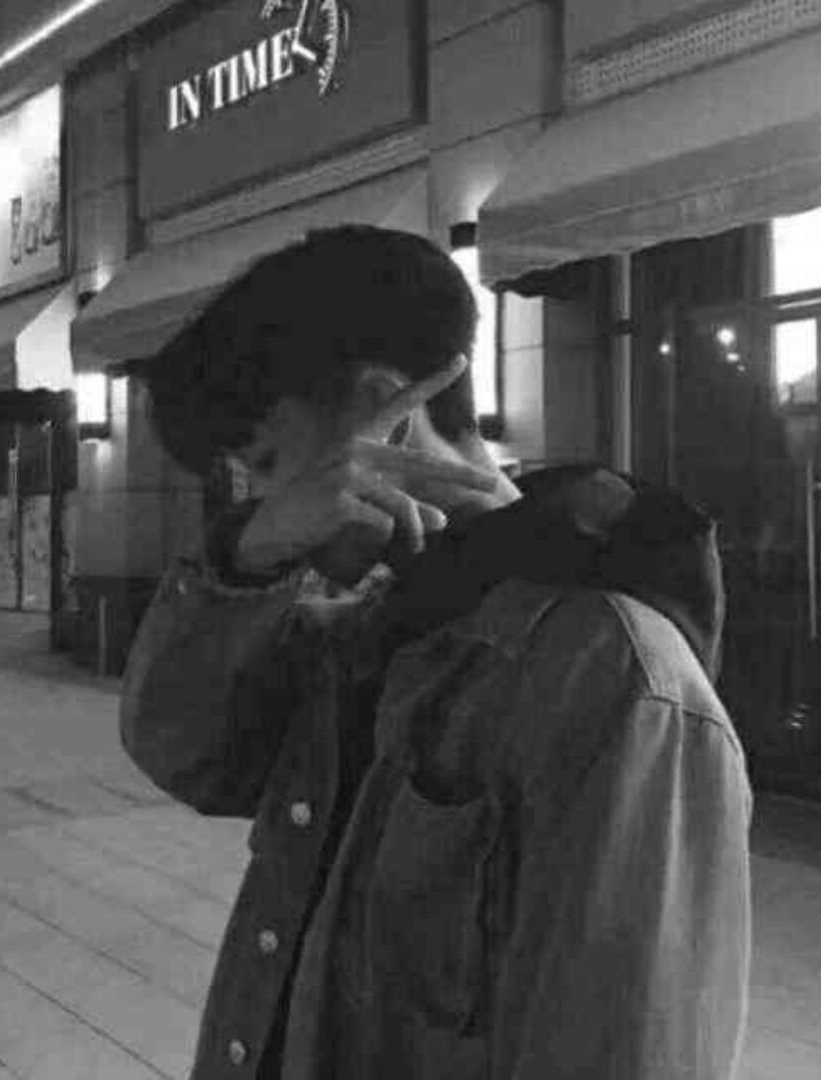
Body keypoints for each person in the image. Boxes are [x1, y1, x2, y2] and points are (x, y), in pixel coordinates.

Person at [120, 225, 752, 1080]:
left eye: (268, 464)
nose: (267, 501)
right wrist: (247, 556)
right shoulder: (371, 629)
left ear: (386, 411)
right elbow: (184, 752)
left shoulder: (613, 679)